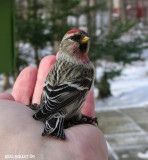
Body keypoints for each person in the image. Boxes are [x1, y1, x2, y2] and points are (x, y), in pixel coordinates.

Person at [0, 55, 108, 160]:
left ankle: (54, 118)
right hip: (65, 105)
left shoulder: (58, 69)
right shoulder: (84, 71)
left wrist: (45, 108)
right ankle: (67, 119)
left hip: (47, 102)